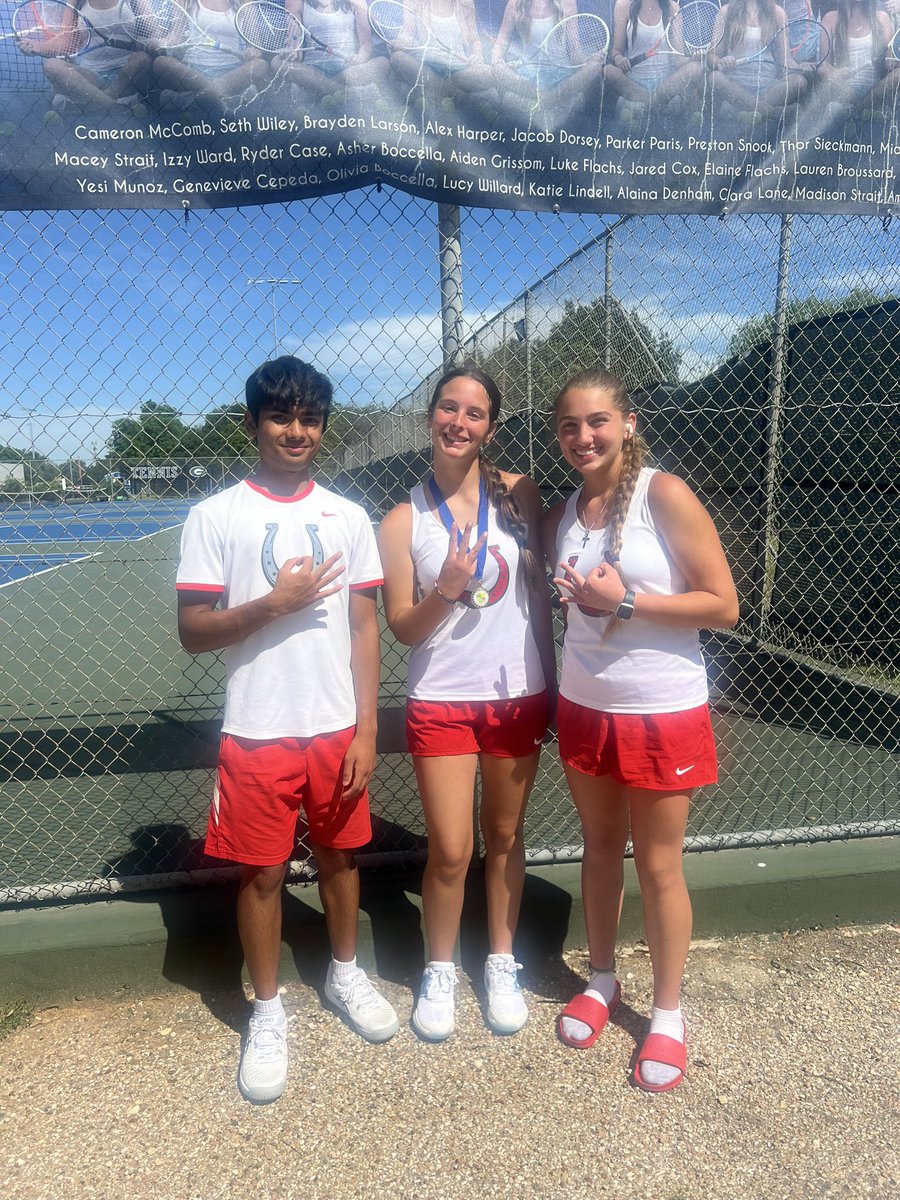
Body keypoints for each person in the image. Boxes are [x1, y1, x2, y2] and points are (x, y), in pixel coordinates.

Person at [176, 356, 399, 1105]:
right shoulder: (216, 517)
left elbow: (364, 626)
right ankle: (267, 1012)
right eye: (280, 416)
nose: (296, 430)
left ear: (323, 427)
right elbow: (194, 632)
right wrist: (274, 603)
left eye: (308, 418)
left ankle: (343, 973)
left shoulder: (347, 514)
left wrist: (367, 728)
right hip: (258, 729)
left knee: (340, 863)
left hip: (336, 728)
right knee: (263, 874)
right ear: (252, 424)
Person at [543, 367, 738, 1093]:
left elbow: (723, 605)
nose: (582, 436)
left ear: (627, 422)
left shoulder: (664, 493)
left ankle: (667, 1014)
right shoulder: (568, 510)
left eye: (596, 421)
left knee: (658, 867)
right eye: (568, 425)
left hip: (662, 710)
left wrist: (628, 602)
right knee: (599, 849)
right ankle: (601, 980)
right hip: (585, 705)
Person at [378, 365, 556, 1041]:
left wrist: (553, 683)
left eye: (474, 413)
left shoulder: (520, 493)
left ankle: (502, 961)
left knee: (504, 837)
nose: (459, 422)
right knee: (451, 849)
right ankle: (441, 969)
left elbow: (537, 596)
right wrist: (447, 586)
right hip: (443, 702)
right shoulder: (402, 520)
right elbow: (403, 627)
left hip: (517, 695)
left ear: (490, 426)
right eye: (448, 408)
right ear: (430, 416)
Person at [708, 0, 810, 115]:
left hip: (768, 87)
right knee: (715, 78)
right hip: (735, 83)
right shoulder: (726, 11)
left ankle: (745, 110)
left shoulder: (778, 14)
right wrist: (722, 61)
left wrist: (800, 67)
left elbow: (785, 61)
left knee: (799, 81)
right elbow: (712, 55)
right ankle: (773, 113)